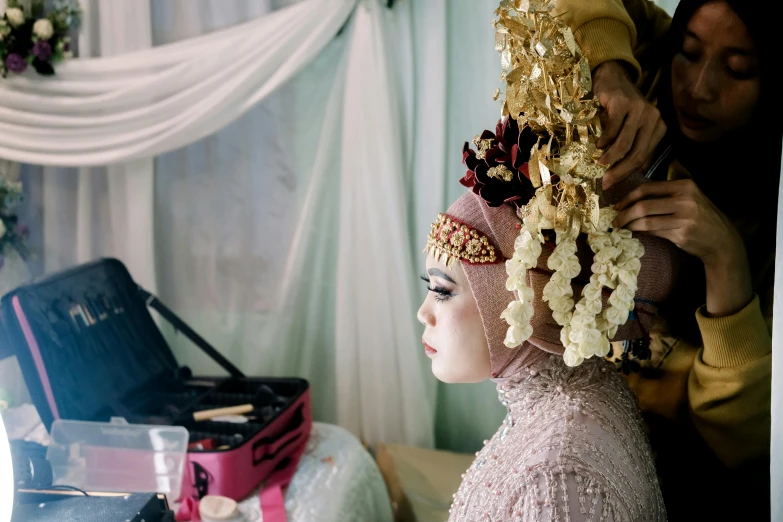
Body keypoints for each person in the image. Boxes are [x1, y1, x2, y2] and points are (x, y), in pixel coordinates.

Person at [550, 0, 776, 519]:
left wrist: (725, 261)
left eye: (739, 70)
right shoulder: (648, 70)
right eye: (689, 53)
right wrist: (610, 70)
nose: (698, 88)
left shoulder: (773, 217)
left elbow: (742, 443)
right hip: (576, 439)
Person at [418, 193, 670, 521]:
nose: (423, 313)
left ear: (527, 295)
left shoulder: (554, 482)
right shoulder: (576, 393)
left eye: (442, 291)